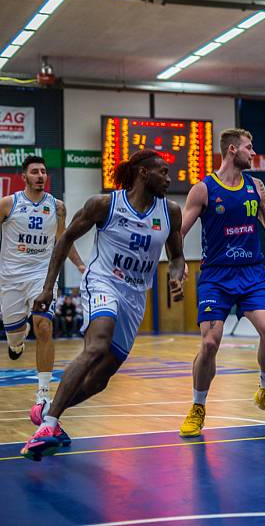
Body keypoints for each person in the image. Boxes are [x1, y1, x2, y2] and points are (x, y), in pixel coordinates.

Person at [19, 149, 185, 460]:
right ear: (143, 174)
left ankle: (48, 413)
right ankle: (49, 426)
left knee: (100, 379)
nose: (169, 178)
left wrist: (177, 275)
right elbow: (64, 239)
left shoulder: (171, 211)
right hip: (103, 281)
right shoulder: (105, 204)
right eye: (163, 172)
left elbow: (176, 257)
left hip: (136, 296)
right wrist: (47, 288)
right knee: (97, 345)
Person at [178, 129, 265, 437]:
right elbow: (179, 232)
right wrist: (178, 260)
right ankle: (198, 406)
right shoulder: (204, 189)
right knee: (210, 343)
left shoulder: (257, 187)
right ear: (231, 151)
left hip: (252, 273)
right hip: (216, 276)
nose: (253, 154)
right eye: (249, 149)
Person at [0, 155, 85, 404]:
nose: (40, 176)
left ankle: (43, 394)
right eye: (35, 172)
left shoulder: (57, 206)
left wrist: (79, 264)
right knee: (15, 336)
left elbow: (63, 239)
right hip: (11, 279)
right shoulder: (8, 204)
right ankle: (17, 342)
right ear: (24, 176)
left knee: (44, 326)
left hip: (42, 275)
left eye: (44, 172)